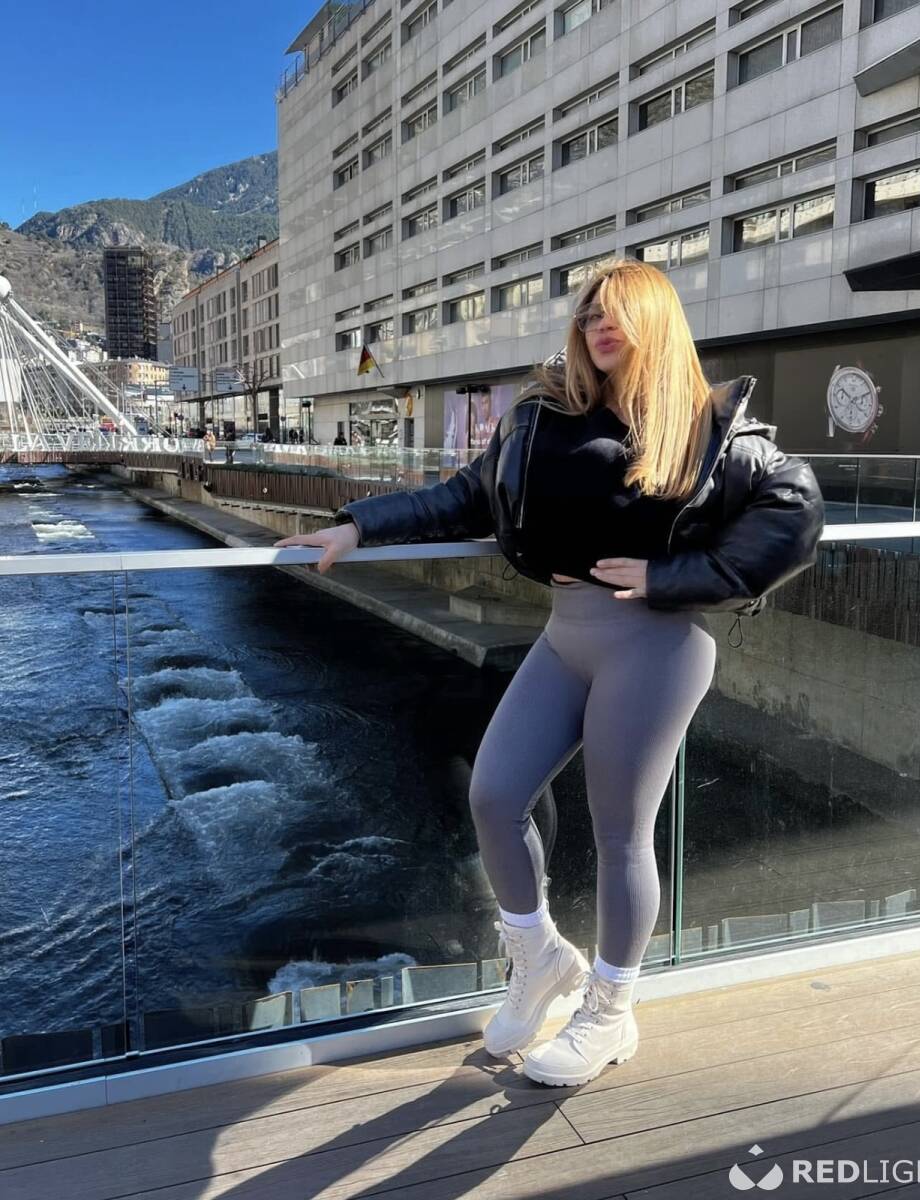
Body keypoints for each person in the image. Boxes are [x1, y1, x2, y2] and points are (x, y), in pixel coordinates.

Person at [273, 259, 824, 1087]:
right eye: (589, 313)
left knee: (619, 834)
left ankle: (609, 1011)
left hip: (654, 645)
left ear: (653, 322)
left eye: (616, 312)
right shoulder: (543, 415)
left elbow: (796, 507)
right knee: (494, 796)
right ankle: (539, 960)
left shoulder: (703, 426)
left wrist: (675, 577)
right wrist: (355, 525)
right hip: (565, 633)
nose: (599, 325)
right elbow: (465, 496)